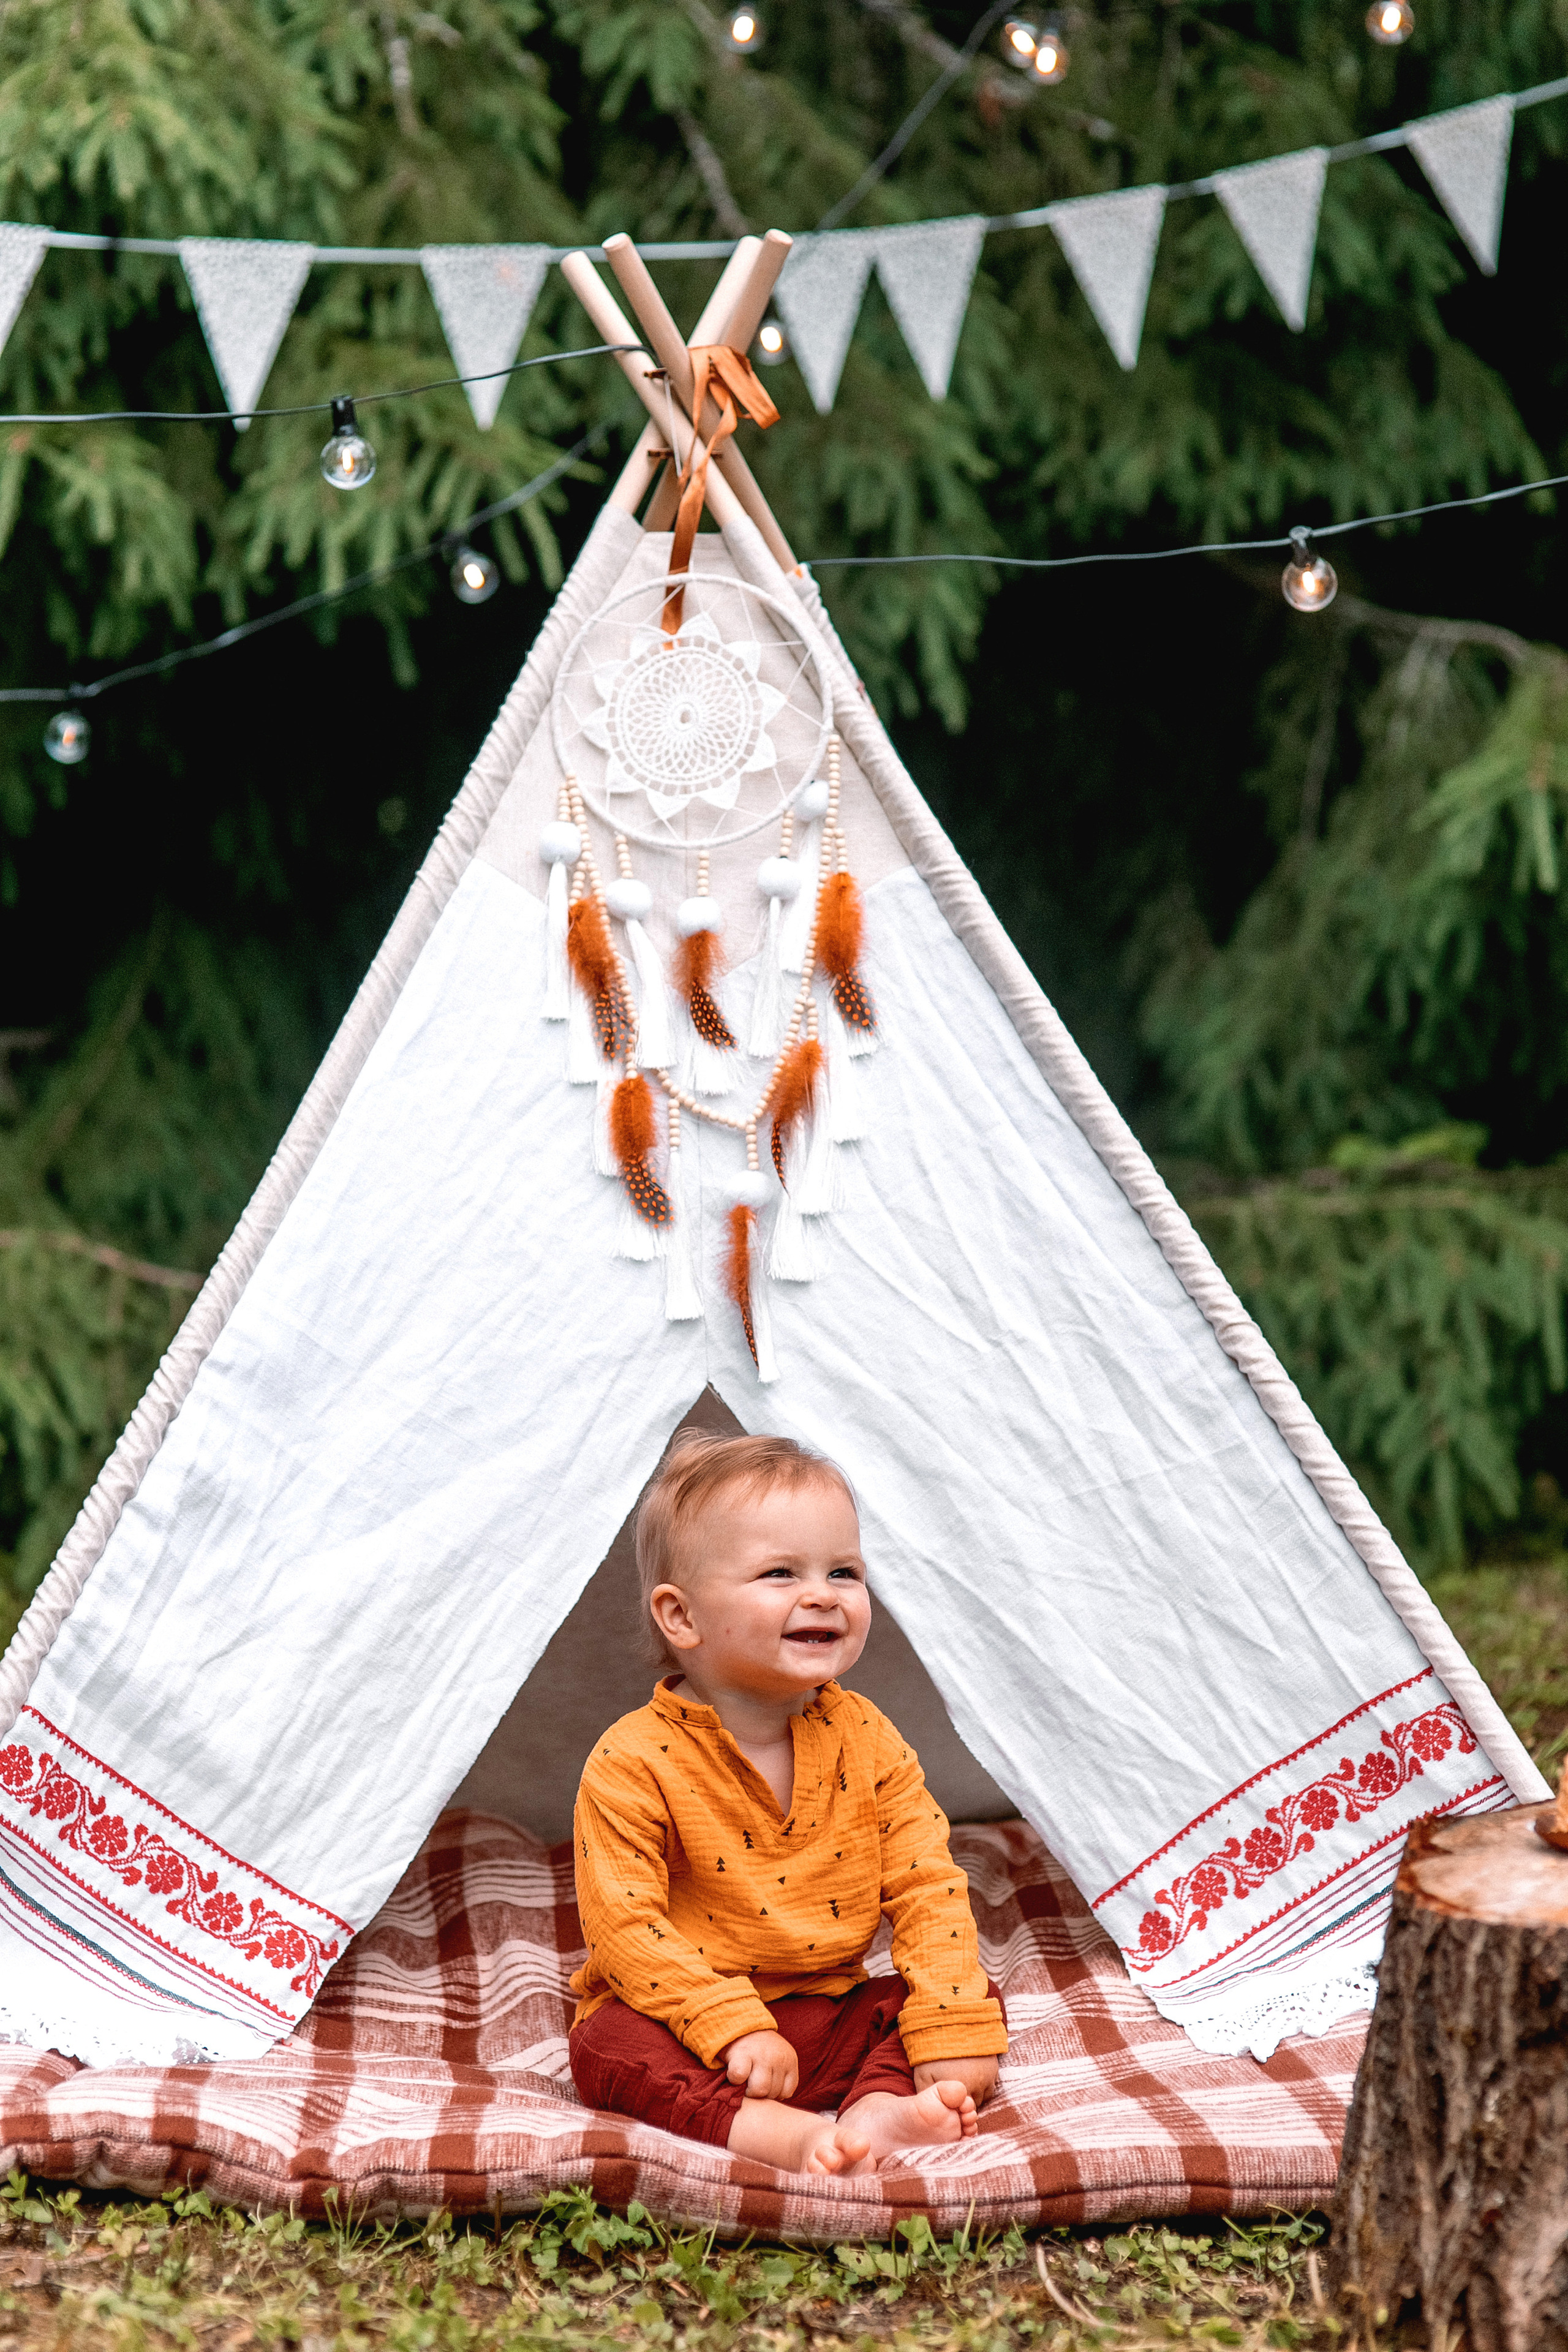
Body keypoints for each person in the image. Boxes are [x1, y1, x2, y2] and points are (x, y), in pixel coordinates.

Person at [568, 1431, 1008, 2177]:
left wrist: (947, 2020)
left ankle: (875, 2117)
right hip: (688, 2022)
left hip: (825, 2014)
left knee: (953, 2000)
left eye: (844, 1571)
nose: (823, 1595)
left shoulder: (866, 1736)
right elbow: (627, 1930)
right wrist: (729, 2026)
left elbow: (926, 1885)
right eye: (780, 1572)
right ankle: (781, 2137)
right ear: (681, 1618)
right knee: (606, 2046)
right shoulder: (631, 1760)